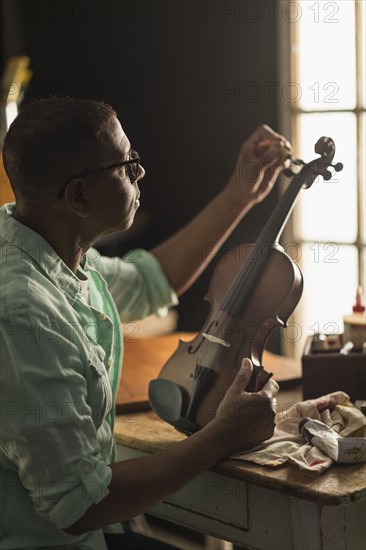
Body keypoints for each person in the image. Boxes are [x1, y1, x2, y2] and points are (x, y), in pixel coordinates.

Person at [0, 97, 290, 549]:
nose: (140, 173)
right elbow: (79, 506)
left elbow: (151, 281)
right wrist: (223, 434)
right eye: (127, 164)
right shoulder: (22, 310)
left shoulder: (45, 242)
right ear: (78, 195)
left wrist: (241, 194)